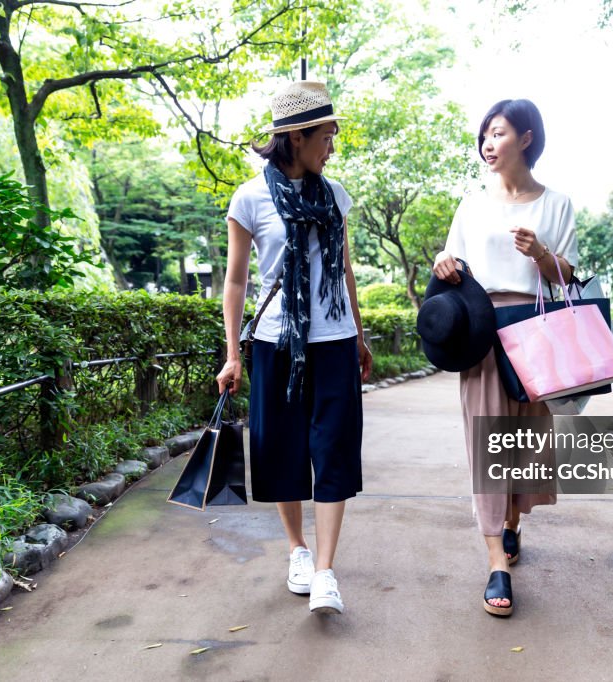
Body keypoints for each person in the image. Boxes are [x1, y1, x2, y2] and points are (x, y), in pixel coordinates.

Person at [216, 81, 373, 615]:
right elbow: (236, 282)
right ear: (298, 137)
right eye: (326, 136)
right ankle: (297, 551)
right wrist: (232, 354)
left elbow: (345, 268)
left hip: (334, 342)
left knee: (333, 450)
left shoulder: (336, 196)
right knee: (281, 450)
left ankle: (326, 570)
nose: (331, 146)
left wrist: (361, 335)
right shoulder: (250, 197)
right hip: (275, 343)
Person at [431, 98, 578, 617]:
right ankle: (496, 560)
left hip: (535, 329)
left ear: (527, 138)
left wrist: (540, 253)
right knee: (488, 440)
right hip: (479, 329)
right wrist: (444, 262)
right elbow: (450, 263)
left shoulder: (556, 204)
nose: (488, 144)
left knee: (525, 439)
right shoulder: (472, 204)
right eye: (485, 135)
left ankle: (513, 524)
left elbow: (567, 278)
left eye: (498, 133)